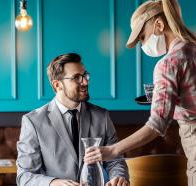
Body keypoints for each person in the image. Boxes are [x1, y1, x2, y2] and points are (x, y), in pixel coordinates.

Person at [84, 1, 196, 186]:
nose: (142, 44)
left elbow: (156, 125)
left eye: (142, 37)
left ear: (159, 25)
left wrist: (112, 150)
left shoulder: (168, 63)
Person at [16, 53, 129, 186]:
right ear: (58, 85)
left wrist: (119, 177)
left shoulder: (102, 116)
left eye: (85, 75)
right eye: (76, 78)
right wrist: (53, 183)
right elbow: (24, 176)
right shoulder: (33, 121)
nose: (85, 82)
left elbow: (115, 160)